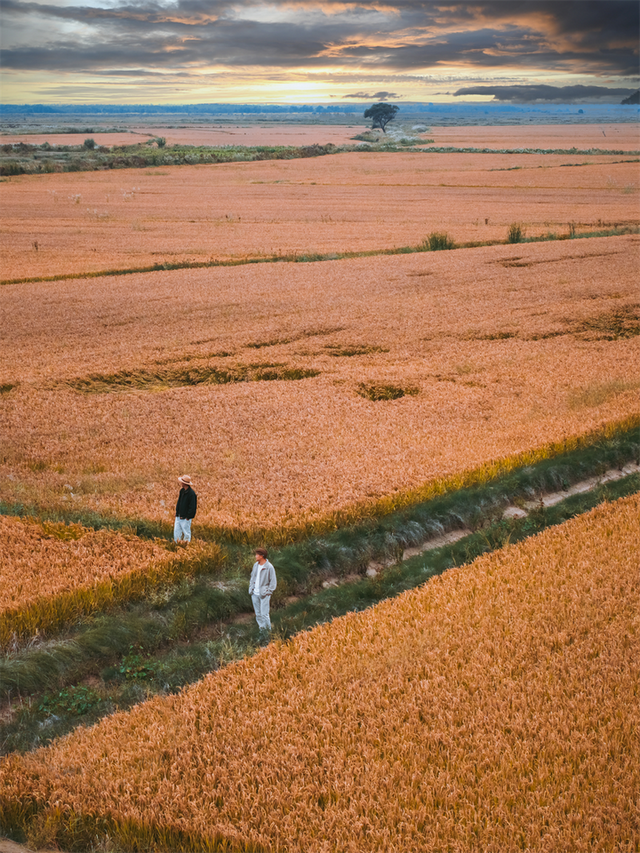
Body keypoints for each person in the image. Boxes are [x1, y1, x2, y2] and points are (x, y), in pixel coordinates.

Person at [248, 548, 277, 633]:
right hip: (254, 594)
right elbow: (252, 577)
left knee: (264, 615)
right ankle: (262, 631)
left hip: (264, 595)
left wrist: (268, 592)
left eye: (257, 555)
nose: (255, 556)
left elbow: (273, 581)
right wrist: (251, 589)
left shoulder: (269, 567)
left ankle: (268, 633)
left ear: (262, 556)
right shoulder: (255, 565)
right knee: (258, 615)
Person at [174, 474, 197, 544]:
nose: (181, 483)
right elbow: (179, 502)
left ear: (184, 483)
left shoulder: (191, 494)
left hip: (185, 518)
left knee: (186, 533)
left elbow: (192, 507)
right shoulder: (182, 491)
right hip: (179, 516)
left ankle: (186, 546)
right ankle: (177, 545)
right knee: (176, 532)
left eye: (182, 482)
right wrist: (177, 512)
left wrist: (188, 517)